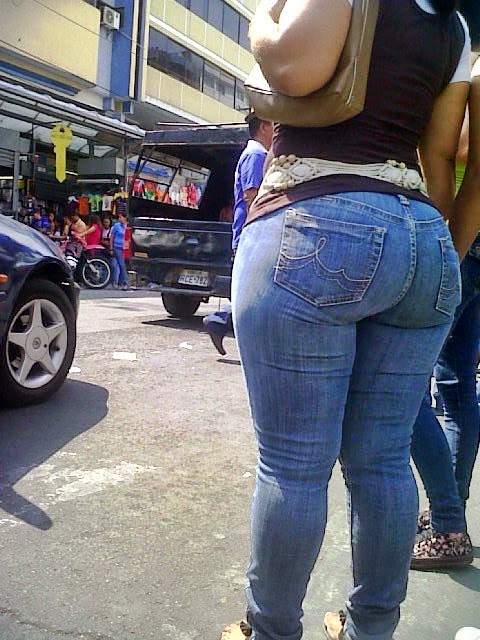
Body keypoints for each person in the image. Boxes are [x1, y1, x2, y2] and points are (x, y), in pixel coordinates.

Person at [221, 1, 472, 640]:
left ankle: (270, 630)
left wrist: (260, 16)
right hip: (420, 232)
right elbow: (438, 153)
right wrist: (438, 250)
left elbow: (293, 67)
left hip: (314, 210)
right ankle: (370, 629)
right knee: (383, 460)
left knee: (293, 463)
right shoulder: (453, 24)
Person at [410, 53, 480, 569]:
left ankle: (448, 523)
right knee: (456, 386)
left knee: (402, 386)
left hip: (463, 241)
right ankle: (448, 511)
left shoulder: (474, 70)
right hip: (472, 243)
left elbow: (461, 148)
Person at [203, 112, 273, 356]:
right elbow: (252, 196)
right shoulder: (256, 155)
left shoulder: (254, 153)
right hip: (251, 234)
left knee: (257, 293)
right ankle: (220, 321)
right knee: (257, 293)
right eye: (275, 125)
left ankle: (220, 322)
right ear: (264, 127)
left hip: (247, 234)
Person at [110, 211, 129, 290]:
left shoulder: (128, 226)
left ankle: (120, 283)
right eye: (119, 217)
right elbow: (112, 237)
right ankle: (125, 282)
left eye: (121, 217)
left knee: (123, 266)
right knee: (121, 265)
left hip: (126, 248)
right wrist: (111, 248)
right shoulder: (116, 226)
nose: (119, 219)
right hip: (117, 247)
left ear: (125, 218)